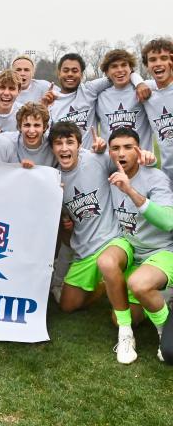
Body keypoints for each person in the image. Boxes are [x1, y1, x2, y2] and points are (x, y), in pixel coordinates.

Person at [49, 121, 154, 364]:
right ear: (53, 148)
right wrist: (67, 224)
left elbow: (128, 165)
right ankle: (108, 284)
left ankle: (125, 331)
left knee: (123, 315)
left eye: (70, 142)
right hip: (84, 252)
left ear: (79, 144)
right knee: (67, 306)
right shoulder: (53, 179)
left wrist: (146, 157)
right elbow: (64, 232)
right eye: (58, 143)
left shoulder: (96, 159)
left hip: (114, 241)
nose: (64, 148)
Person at [108, 127, 173, 362]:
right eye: (115, 148)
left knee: (138, 284)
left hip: (162, 250)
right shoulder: (111, 171)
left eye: (128, 147)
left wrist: (129, 190)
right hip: (133, 248)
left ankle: (165, 332)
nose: (121, 153)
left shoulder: (155, 177)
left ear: (139, 150)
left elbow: (167, 222)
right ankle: (125, 333)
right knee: (106, 262)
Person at [42, 53, 148, 149]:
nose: (70, 74)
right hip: (66, 162)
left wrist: (139, 83)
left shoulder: (89, 90)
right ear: (59, 73)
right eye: (66, 70)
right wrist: (43, 107)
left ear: (82, 75)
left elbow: (117, 76)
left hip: (92, 162)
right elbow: (45, 138)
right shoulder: (51, 102)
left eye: (75, 71)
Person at [96, 49, 152, 150]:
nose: (120, 70)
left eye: (124, 65)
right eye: (114, 66)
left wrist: (139, 82)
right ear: (107, 72)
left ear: (130, 68)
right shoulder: (100, 98)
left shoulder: (144, 89)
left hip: (141, 162)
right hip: (110, 162)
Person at [141, 38, 173, 183]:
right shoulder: (148, 95)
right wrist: (138, 83)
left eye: (164, 58)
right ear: (147, 66)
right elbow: (127, 76)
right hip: (168, 177)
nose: (159, 63)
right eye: (153, 59)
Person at [2, 102, 57, 167]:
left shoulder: (53, 143)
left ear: (44, 127)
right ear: (19, 126)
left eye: (37, 125)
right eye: (27, 125)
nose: (31, 131)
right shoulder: (7, 140)